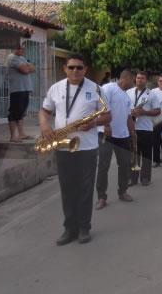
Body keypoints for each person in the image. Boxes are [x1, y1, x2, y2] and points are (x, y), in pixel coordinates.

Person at [39, 53, 111, 245]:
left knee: (85, 189)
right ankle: (69, 229)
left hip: (87, 147)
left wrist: (94, 122)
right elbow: (44, 111)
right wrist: (45, 126)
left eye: (79, 67)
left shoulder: (96, 88)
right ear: (65, 69)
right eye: (71, 67)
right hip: (63, 147)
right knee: (67, 189)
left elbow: (108, 116)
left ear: (85, 69)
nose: (75, 71)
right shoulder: (56, 88)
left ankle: (84, 228)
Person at [95, 70, 136, 210]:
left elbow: (129, 116)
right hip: (107, 135)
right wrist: (106, 125)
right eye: (133, 80)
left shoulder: (126, 96)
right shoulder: (108, 88)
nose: (133, 83)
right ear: (126, 78)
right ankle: (101, 197)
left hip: (122, 136)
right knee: (103, 166)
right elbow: (102, 108)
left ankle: (123, 191)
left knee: (124, 164)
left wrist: (132, 132)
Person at [127, 71, 161, 186]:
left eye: (142, 78)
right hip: (131, 128)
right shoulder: (128, 92)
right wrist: (130, 112)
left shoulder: (152, 94)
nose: (139, 80)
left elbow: (158, 111)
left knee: (146, 155)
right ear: (135, 79)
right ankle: (133, 178)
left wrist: (144, 112)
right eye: (138, 78)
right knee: (133, 154)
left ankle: (145, 178)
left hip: (146, 129)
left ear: (146, 80)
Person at [7, 45, 35, 142]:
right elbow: (25, 70)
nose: (22, 50)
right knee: (14, 112)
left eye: (23, 48)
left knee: (22, 112)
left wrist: (27, 67)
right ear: (14, 49)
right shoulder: (12, 58)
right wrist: (27, 67)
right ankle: (13, 136)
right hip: (17, 89)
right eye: (19, 48)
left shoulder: (22, 58)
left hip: (25, 89)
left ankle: (21, 134)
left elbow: (33, 69)